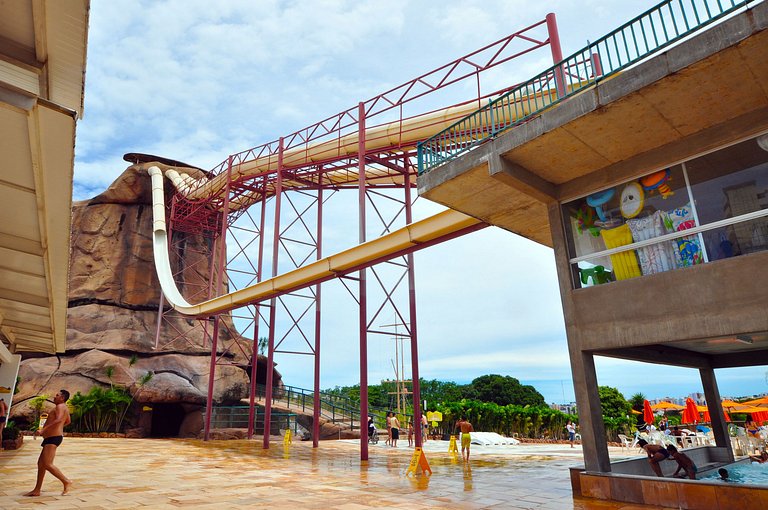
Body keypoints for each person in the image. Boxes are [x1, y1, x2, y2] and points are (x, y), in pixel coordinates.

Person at [25, 390, 73, 496]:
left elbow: (59, 419)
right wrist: (58, 428)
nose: (54, 397)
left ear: (62, 398)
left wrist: (43, 430)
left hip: (53, 438)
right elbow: (68, 421)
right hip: (52, 437)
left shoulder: (60, 406)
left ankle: (66, 481)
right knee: (41, 464)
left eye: (57, 395)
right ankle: (37, 490)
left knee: (47, 464)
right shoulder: (63, 407)